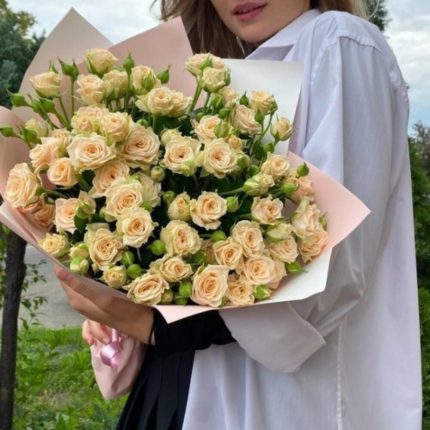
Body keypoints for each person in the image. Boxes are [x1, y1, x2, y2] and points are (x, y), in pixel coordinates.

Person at [55, 0, 422, 428]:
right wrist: (112, 296)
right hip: (177, 381)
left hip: (275, 400)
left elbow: (331, 271)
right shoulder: (207, 77)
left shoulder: (337, 42)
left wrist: (154, 323)